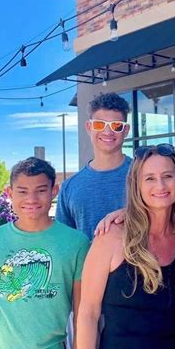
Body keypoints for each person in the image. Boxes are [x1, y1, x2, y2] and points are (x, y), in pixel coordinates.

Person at [0, 157, 89, 349]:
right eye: (22, 191)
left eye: (41, 190)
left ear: (54, 191)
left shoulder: (76, 243)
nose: (31, 199)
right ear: (9, 193)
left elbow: (82, 316)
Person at [77, 144, 175, 349]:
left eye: (168, 176)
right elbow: (88, 313)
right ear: (136, 185)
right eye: (149, 178)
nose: (160, 185)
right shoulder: (111, 236)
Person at [56, 92, 132, 240]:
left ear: (126, 130)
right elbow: (63, 241)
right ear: (89, 127)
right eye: (99, 124)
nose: (108, 132)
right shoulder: (70, 187)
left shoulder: (144, 176)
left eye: (116, 126)